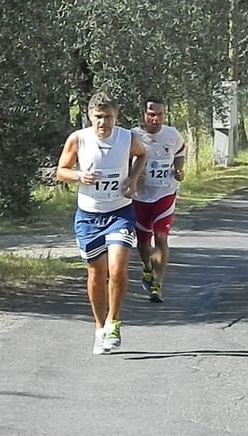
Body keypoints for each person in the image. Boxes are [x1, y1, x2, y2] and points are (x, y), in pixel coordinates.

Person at [56, 92, 147, 355]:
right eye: (98, 117)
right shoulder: (78, 139)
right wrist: (78, 176)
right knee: (96, 273)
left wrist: (132, 179)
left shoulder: (127, 138)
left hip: (120, 212)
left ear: (116, 117)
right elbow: (61, 171)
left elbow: (142, 156)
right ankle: (99, 328)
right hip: (88, 216)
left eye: (108, 117)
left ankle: (114, 321)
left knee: (117, 269)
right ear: (89, 116)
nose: (103, 123)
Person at [132, 97, 186, 302]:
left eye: (160, 114)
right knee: (143, 242)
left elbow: (180, 152)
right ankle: (147, 267)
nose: (156, 119)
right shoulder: (133, 136)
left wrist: (179, 170)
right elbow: (123, 162)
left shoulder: (172, 135)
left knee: (161, 237)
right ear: (144, 115)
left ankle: (157, 284)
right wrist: (134, 173)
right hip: (140, 196)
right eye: (152, 114)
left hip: (165, 193)